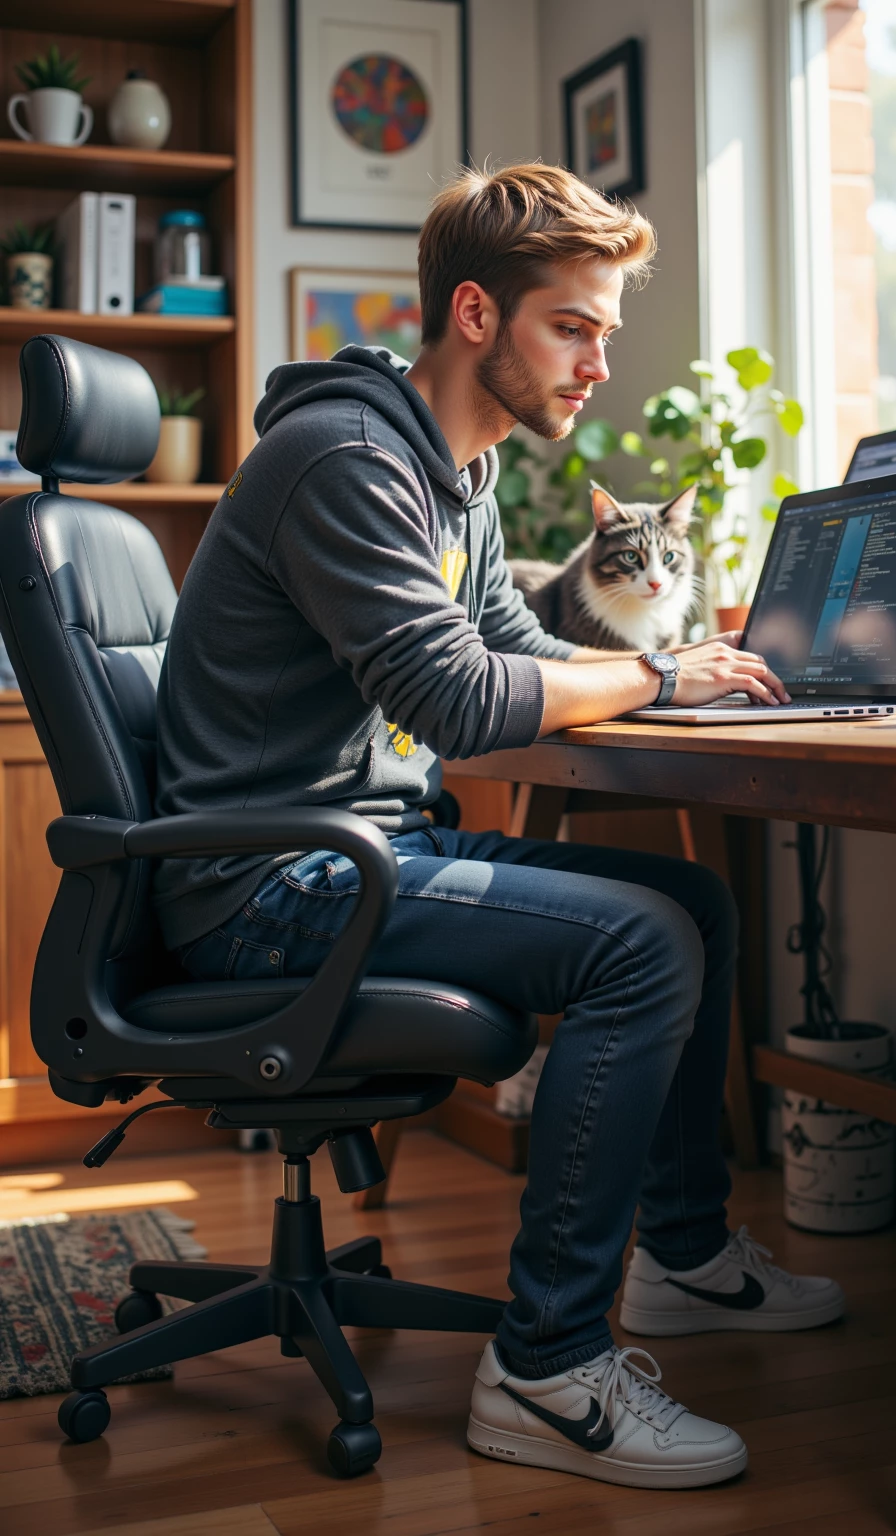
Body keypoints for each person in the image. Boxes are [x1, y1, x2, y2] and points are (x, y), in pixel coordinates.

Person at [155, 163, 844, 1491]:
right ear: (476, 314)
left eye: (603, 330)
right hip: (260, 884)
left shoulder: (449, 476)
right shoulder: (348, 461)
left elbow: (518, 645)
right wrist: (657, 676)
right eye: (572, 328)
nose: (598, 364)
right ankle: (543, 1368)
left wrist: (684, 667)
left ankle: (687, 1257)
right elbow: (460, 698)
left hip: (354, 850)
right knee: (643, 944)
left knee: (689, 902)